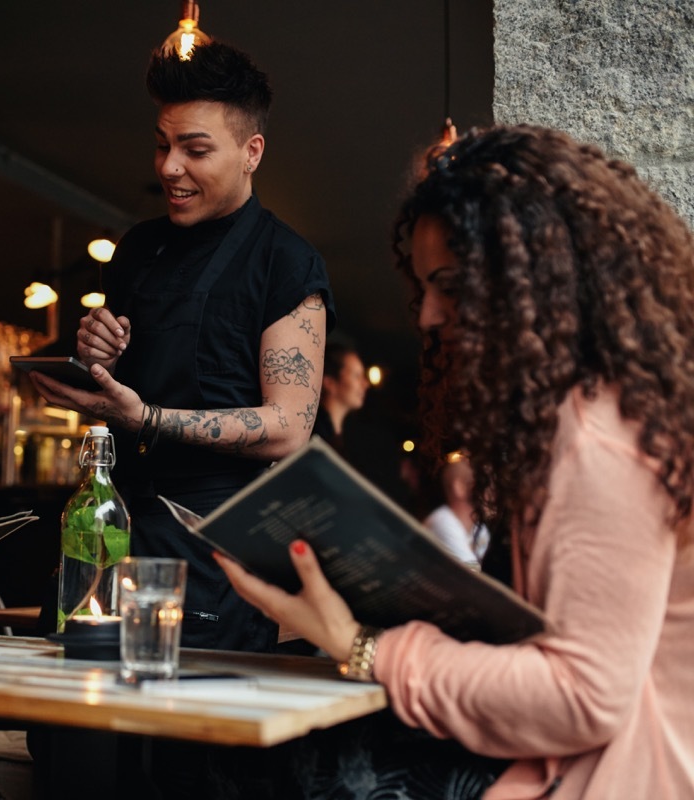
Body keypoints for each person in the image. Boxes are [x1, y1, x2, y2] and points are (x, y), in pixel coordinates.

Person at [217, 125, 694, 798]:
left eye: (451, 285)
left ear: (536, 278)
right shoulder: (587, 411)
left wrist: (363, 647)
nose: (432, 315)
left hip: (611, 774)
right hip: (575, 759)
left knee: (259, 760)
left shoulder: (595, 440)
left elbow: (584, 697)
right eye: (425, 288)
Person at [29, 41, 334, 653]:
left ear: (252, 153)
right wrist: (99, 354)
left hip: (211, 542)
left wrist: (146, 418)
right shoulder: (139, 248)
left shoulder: (287, 263)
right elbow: (118, 376)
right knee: (69, 727)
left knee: (180, 738)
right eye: (163, 145)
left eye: (195, 150)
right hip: (107, 522)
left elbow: (287, 427)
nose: (169, 167)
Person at [422, 451, 489, 569]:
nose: (490, 490)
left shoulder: (479, 528)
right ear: (459, 487)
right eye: (481, 482)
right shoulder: (442, 522)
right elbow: (473, 577)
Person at [309, 341, 368, 453]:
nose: (365, 384)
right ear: (329, 382)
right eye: (357, 376)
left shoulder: (345, 438)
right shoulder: (312, 432)